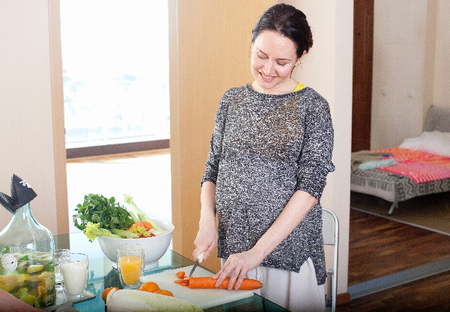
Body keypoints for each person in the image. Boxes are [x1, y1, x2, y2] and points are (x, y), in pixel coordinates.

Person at [193, 3, 335, 311]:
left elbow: (311, 188)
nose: (268, 69)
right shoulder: (231, 100)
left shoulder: (313, 107)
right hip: (235, 253)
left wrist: (257, 252)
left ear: (301, 57)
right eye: (261, 55)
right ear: (252, 45)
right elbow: (213, 168)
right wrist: (208, 220)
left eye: (282, 61)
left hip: (288, 256)